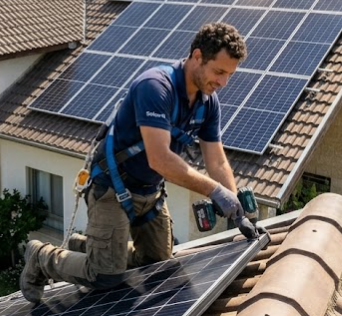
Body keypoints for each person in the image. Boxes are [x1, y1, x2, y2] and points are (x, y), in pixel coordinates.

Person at [19, 22, 249, 304]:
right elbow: (160, 158)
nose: (223, 83)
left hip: (150, 193)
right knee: (105, 276)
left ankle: (92, 245)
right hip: (112, 189)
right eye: (219, 72)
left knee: (157, 265)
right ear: (198, 56)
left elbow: (216, 159)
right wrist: (214, 192)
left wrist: (238, 210)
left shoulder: (207, 103)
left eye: (230, 75)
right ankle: (42, 257)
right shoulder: (155, 87)